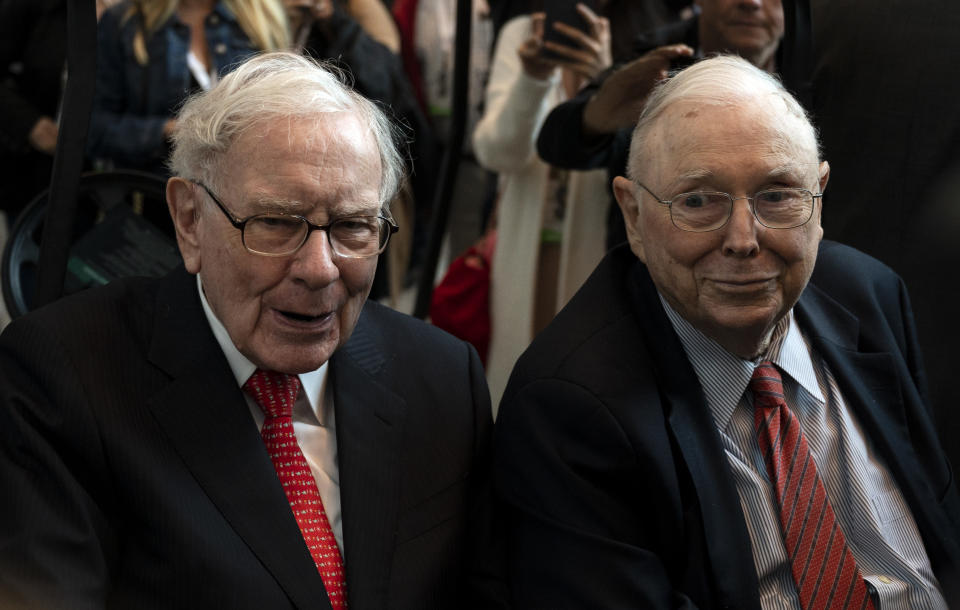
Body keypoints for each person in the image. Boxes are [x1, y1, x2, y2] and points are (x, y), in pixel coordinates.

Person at [0, 52, 502, 609]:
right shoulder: (63, 380)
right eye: (277, 223)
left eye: (353, 226)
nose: (320, 267)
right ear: (189, 220)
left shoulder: (442, 377)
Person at [495, 55, 959, 607]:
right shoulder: (570, 406)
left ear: (820, 196)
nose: (744, 238)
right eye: (697, 201)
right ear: (634, 215)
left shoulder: (869, 295)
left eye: (778, 195)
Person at [537, 0, 785, 248]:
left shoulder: (817, 65)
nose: (752, 2)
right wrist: (596, 116)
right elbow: (556, 142)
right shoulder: (656, 57)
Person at [472, 5, 612, 407]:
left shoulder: (639, 36)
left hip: (600, 248)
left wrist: (606, 80)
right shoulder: (523, 34)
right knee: (517, 376)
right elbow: (498, 153)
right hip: (524, 244)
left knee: (588, 386)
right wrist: (533, 78)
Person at [87, 0, 288, 176]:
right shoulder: (126, 21)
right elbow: (94, 130)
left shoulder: (261, 17)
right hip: (153, 193)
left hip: (241, 189)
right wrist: (169, 130)